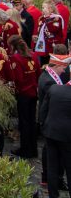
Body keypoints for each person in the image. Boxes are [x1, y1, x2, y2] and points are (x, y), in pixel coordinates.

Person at [39, 67, 71, 198]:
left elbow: (43, 111)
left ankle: (53, 194)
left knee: (52, 166)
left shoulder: (54, 89)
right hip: (67, 136)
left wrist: (44, 128)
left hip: (50, 132)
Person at [8, 35, 40, 159]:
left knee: (24, 123)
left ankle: (25, 149)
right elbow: (38, 73)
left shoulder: (16, 58)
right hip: (33, 92)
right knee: (32, 121)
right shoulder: (34, 55)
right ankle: (33, 149)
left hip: (23, 94)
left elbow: (18, 79)